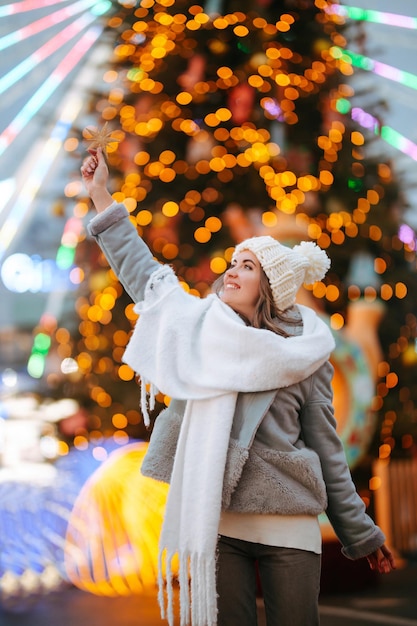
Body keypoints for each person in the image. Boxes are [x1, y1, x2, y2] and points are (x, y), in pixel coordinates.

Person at [81, 148, 396, 626]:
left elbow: (329, 453)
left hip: (290, 530)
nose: (232, 270)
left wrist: (362, 535)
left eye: (248, 266)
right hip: (220, 526)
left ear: (269, 286)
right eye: (234, 261)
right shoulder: (200, 331)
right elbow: (143, 274)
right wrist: (101, 193)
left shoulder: (307, 355)